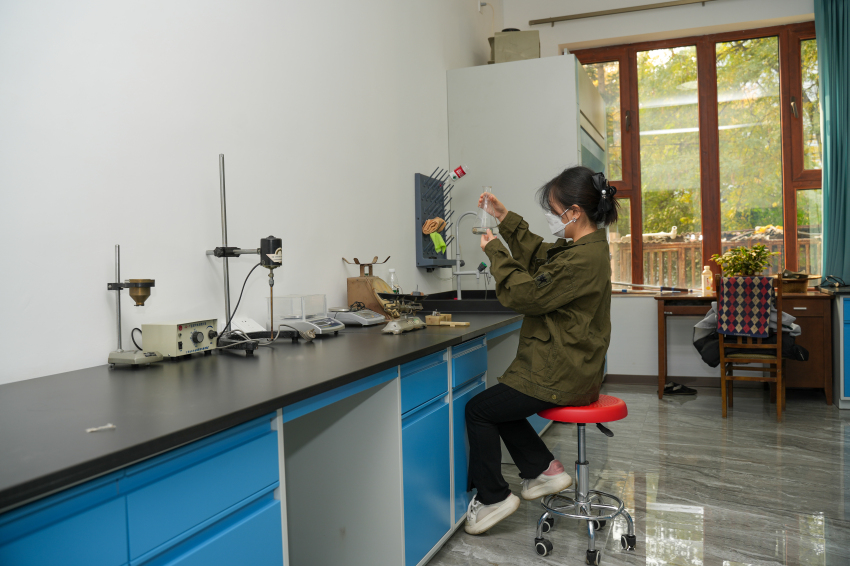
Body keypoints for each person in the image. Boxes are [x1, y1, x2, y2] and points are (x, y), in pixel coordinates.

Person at [463, 165, 619, 535]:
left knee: (480, 410)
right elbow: (540, 256)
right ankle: (543, 470)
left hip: (561, 372)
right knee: (502, 405)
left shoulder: (581, 259)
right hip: (574, 368)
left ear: (575, 212)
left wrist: (495, 251)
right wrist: (504, 217)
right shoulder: (586, 249)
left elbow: (528, 295)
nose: (550, 217)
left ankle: (493, 498)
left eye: (553, 210)